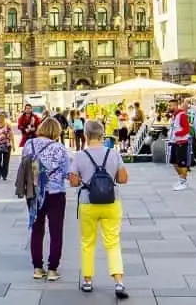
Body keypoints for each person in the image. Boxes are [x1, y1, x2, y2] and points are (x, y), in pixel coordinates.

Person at [69, 120, 130, 299]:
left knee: (88, 242)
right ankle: (119, 281)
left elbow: (73, 182)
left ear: (86, 136)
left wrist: (82, 179)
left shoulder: (80, 156)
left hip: (88, 203)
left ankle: (87, 281)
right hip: (111, 203)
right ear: (102, 135)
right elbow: (123, 179)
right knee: (112, 242)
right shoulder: (113, 153)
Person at [23, 116, 71, 281]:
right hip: (55, 194)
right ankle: (52, 269)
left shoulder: (29, 145)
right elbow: (67, 173)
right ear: (57, 132)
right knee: (55, 231)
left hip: (34, 193)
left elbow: (26, 166)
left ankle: (37, 268)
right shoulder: (60, 149)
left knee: (37, 229)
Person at [167, 98, 192, 191]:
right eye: (169, 106)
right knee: (174, 162)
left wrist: (177, 134)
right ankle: (181, 179)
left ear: (175, 105)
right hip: (174, 142)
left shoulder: (182, 115)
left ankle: (183, 182)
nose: (169, 107)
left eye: (170, 105)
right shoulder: (174, 116)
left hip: (181, 142)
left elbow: (186, 129)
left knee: (182, 164)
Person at [0, 114, 13, 181]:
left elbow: (11, 134)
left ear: (4, 118)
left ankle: (4, 175)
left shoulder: (7, 125)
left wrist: (13, 144)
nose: (0, 119)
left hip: (7, 145)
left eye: (2, 117)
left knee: (6, 161)